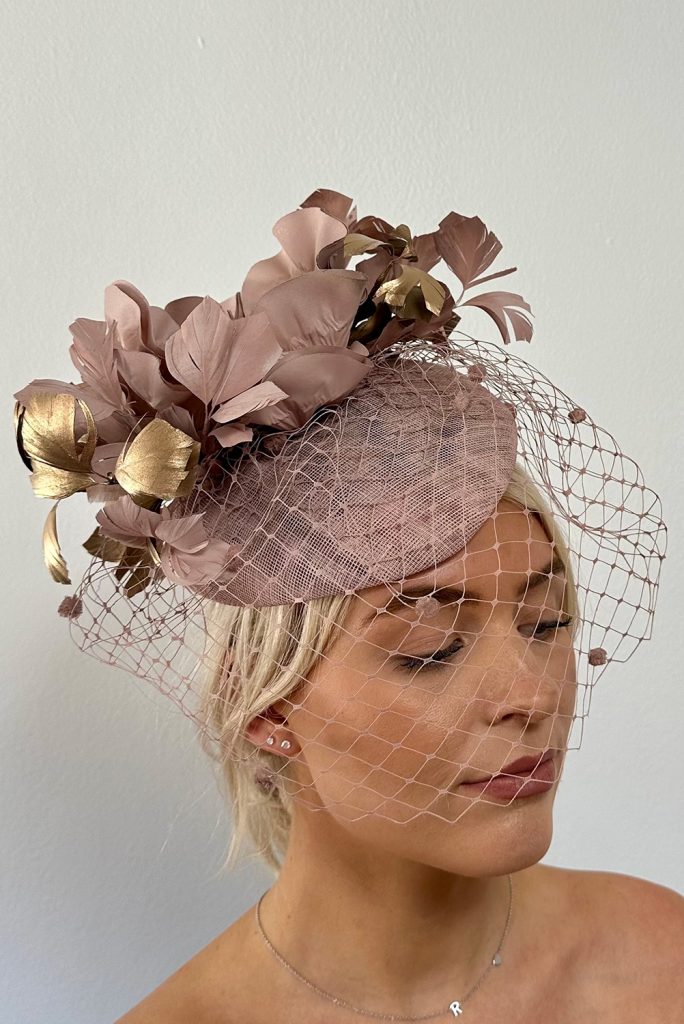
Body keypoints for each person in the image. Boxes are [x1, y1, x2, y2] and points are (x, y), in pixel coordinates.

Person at [12, 188, 682, 1021]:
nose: (533, 694)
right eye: (431, 648)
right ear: (264, 703)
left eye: (547, 622)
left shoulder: (661, 963)